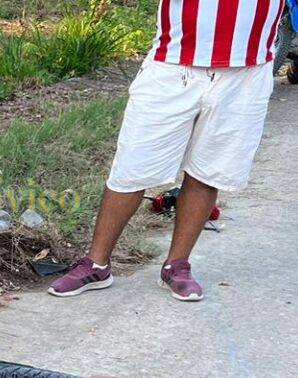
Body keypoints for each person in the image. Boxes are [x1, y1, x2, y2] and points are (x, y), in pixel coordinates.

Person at [49, 0, 284, 302]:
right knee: (132, 169)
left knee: (207, 170)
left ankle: (176, 266)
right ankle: (97, 264)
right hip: (172, 66)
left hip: (245, 74)